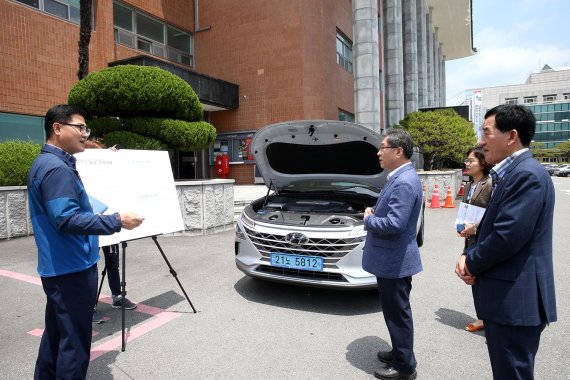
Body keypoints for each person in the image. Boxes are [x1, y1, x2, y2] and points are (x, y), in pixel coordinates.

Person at [28, 104, 145, 379]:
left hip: (59, 266)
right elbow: (66, 220)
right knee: (75, 343)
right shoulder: (56, 169)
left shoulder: (48, 162)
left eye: (85, 128)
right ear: (57, 128)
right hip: (71, 269)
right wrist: (117, 220)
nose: (84, 133)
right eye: (79, 127)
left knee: (57, 334)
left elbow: (62, 213)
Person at [455, 104, 556, 379]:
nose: (481, 141)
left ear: (511, 136)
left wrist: (470, 261)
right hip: (509, 299)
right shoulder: (511, 172)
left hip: (516, 302)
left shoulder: (526, 174)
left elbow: (507, 236)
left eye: (487, 133)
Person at [362, 128, 423, 380]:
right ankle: (401, 352)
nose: (378, 152)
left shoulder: (405, 181)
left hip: (394, 261)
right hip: (393, 259)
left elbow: (394, 224)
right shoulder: (399, 176)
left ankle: (404, 367)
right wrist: (376, 210)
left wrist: (368, 220)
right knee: (394, 312)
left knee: (398, 314)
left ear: (398, 152)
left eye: (383, 147)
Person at [84, 139, 137, 324]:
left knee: (113, 261)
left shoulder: (106, 170)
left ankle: (117, 296)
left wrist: (113, 157)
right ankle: (88, 306)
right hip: (90, 223)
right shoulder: (77, 168)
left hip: (110, 220)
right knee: (89, 265)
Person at [457, 147, 492, 333]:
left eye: (471, 161)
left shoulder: (490, 183)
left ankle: (489, 318)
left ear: (483, 162)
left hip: (485, 238)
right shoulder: (470, 185)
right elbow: (465, 210)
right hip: (470, 238)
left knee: (483, 278)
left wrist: (476, 228)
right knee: (472, 276)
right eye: (467, 160)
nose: (467, 163)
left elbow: (493, 216)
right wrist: (461, 227)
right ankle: (483, 317)